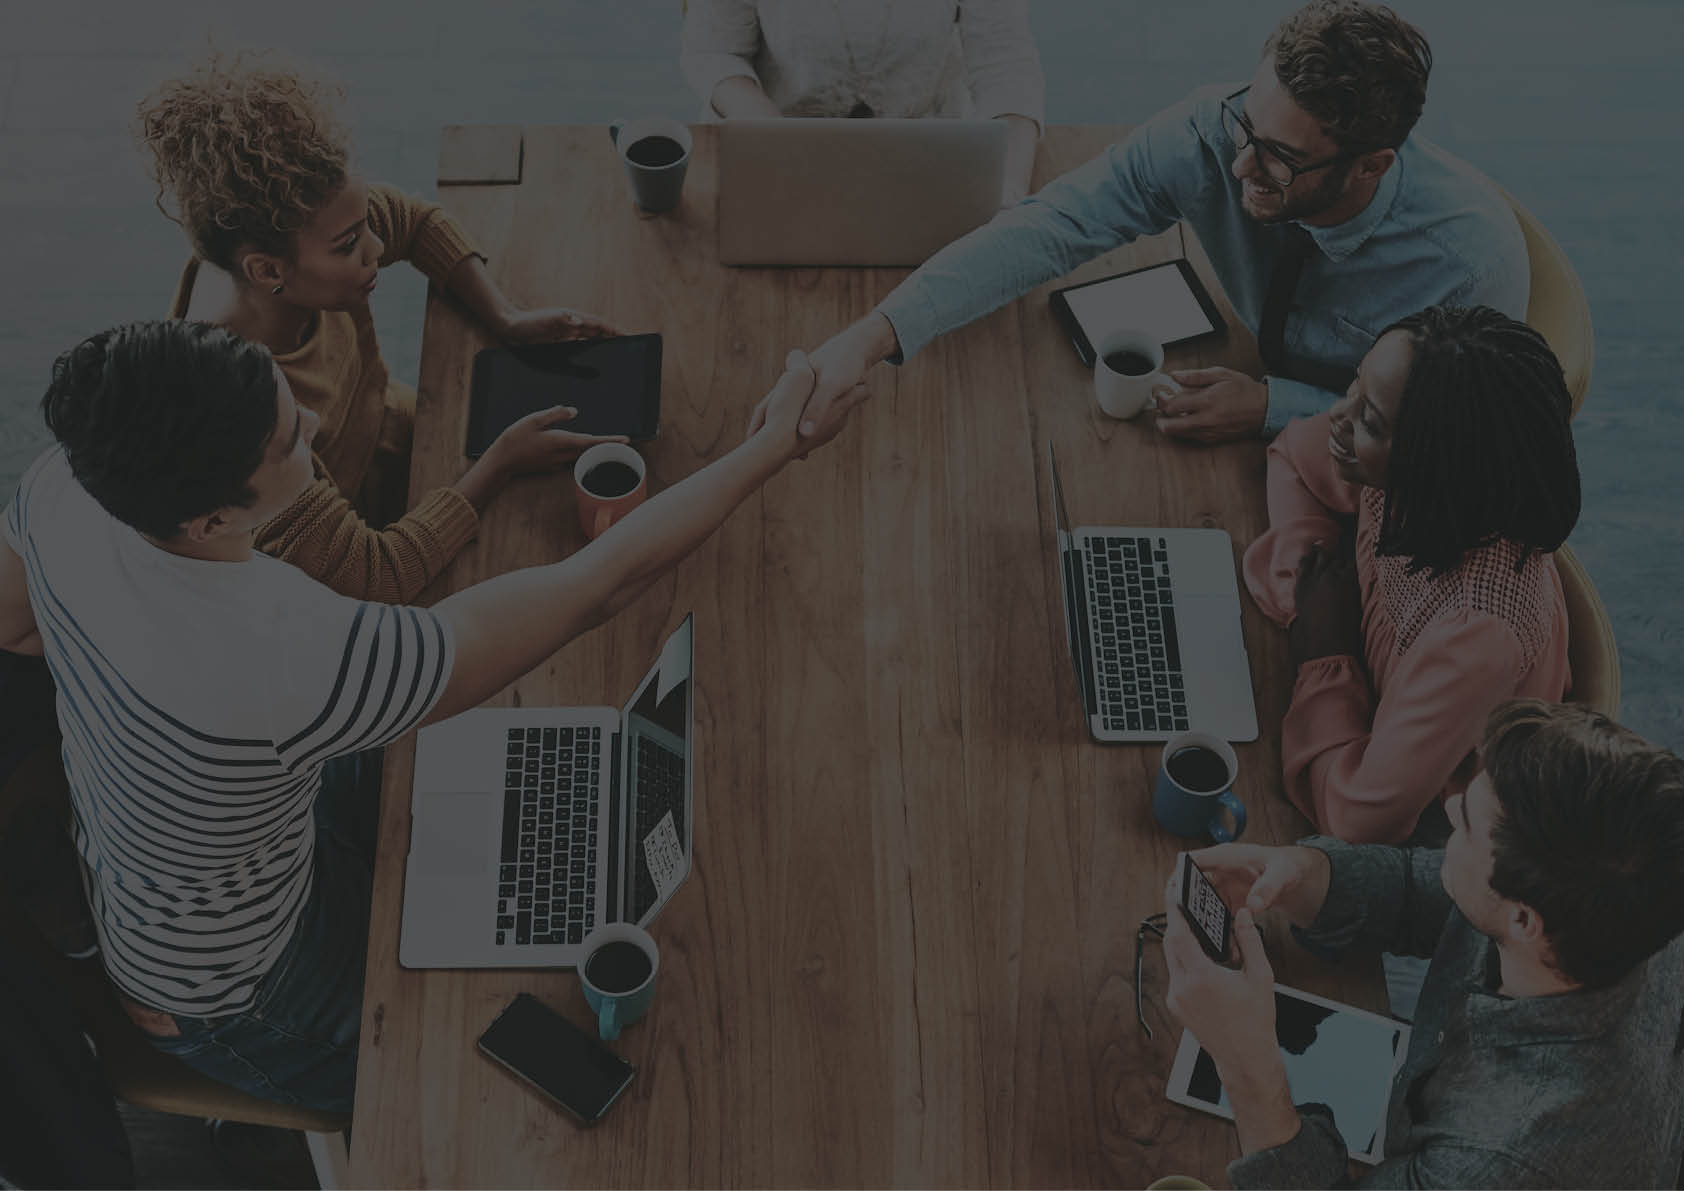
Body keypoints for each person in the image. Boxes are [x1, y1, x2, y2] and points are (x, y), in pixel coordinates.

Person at [0, 320, 865, 1114]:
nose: (309, 419)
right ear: (213, 519)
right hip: (241, 991)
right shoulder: (285, 652)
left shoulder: (61, 488)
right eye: (288, 436)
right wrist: (773, 448)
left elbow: (14, 624)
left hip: (171, 894)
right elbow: (596, 587)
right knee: (484, 1100)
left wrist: (134, 698)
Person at [762, 0, 1529, 447]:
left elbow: (1457, 444)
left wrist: (1277, 407)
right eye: (1245, 124)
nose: (1237, 168)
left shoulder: (1468, 265)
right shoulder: (1213, 128)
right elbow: (1052, 225)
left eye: (1279, 159)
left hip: (1353, 473)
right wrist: (870, 337)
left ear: (1372, 166)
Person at [139, 55, 626, 604]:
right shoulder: (242, 417)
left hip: (398, 439)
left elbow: (414, 221)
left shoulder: (284, 247)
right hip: (349, 550)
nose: (374, 249)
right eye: (349, 245)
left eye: (365, 222)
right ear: (268, 270)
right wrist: (500, 463)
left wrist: (505, 317)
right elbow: (377, 575)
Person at [1160, 699, 1684, 1188]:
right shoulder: (1627, 894)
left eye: (1469, 826)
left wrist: (1248, 1072)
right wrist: (1306, 876)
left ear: (1525, 920)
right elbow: (1436, 891)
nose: (1450, 808)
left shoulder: (1500, 1158)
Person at [1242, 305, 1577, 843]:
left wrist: (1325, 650)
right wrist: (1308, 587)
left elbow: (1357, 822)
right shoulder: (1410, 482)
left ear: (1437, 464)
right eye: (1356, 382)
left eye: (1370, 420)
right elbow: (1293, 455)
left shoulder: (1476, 633)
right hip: (1374, 728)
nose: (1338, 415)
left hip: (1442, 828)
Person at [680, 0, 1044, 205]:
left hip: (931, 149)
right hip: (776, 146)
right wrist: (770, 130)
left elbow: (1006, 66)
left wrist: (1009, 189)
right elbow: (714, 51)